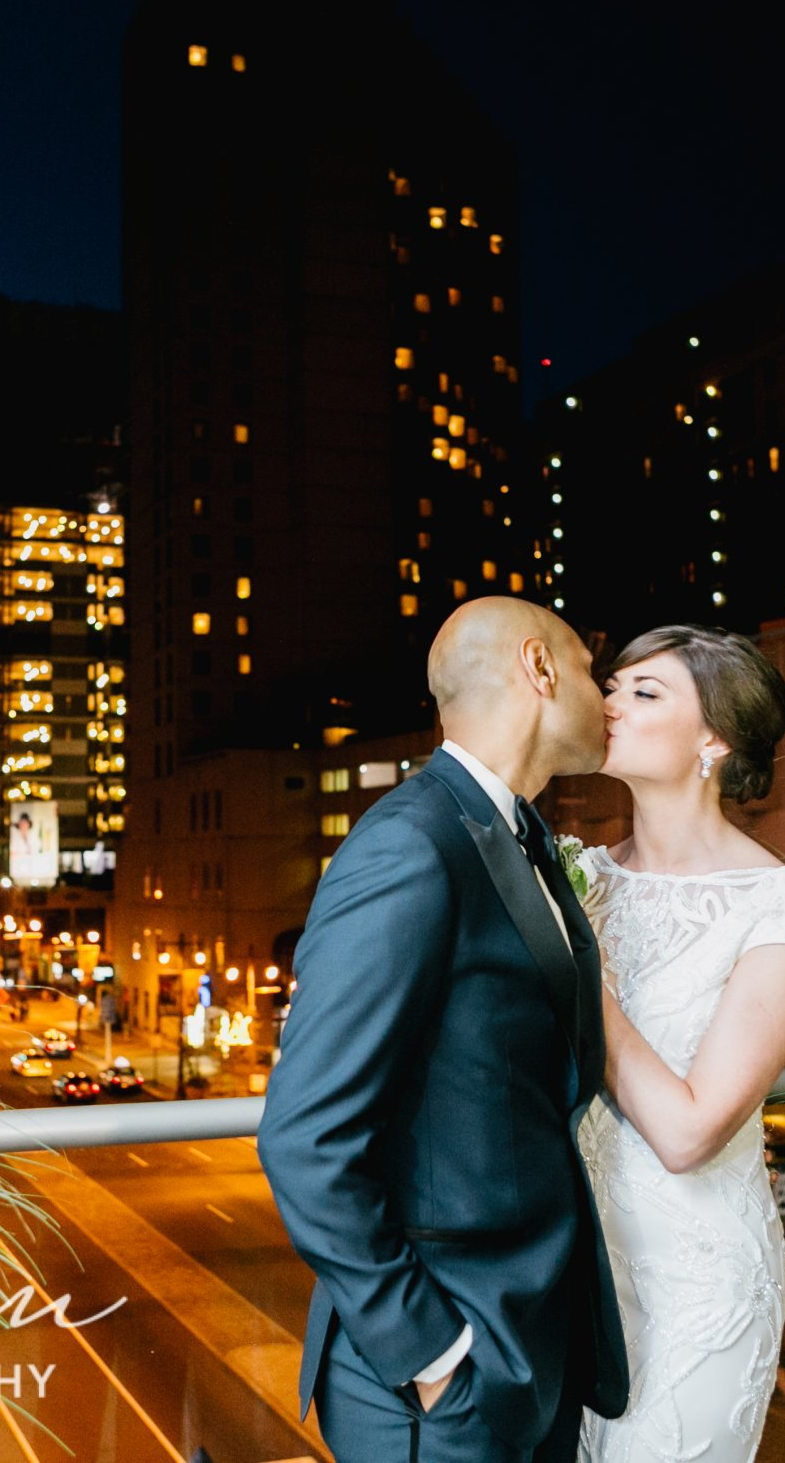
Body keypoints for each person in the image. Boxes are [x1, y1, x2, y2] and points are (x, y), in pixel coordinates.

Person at [259, 598, 629, 1462]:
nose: (605, 694)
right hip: (441, 1377)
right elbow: (305, 1136)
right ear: (538, 669)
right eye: (587, 668)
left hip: (531, 1346)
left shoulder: (520, 834)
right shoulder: (409, 845)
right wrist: (433, 1355)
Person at [573, 626, 785, 1463]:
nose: (609, 701)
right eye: (610, 686)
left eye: (644, 692)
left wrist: (584, 971)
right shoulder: (576, 874)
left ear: (714, 740)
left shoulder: (782, 906)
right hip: (573, 1272)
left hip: (696, 1288)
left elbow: (690, 1132)